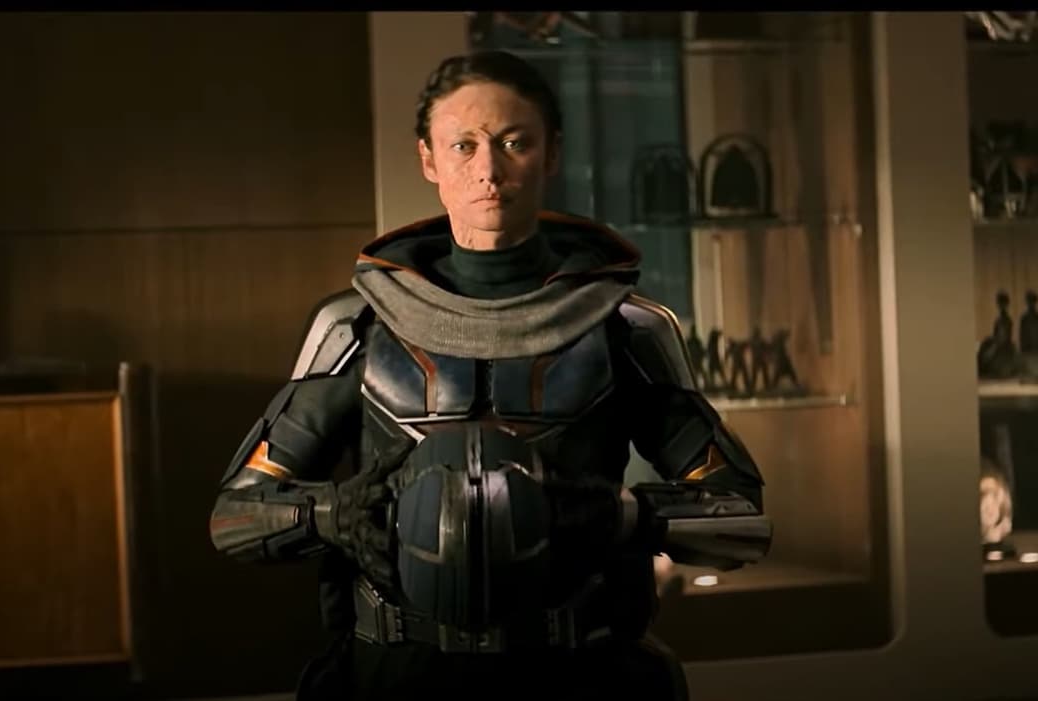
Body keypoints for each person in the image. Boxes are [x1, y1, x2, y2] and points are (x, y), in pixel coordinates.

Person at [209, 50, 771, 701]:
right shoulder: (356, 325)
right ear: (429, 160)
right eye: (464, 145)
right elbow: (234, 518)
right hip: (399, 676)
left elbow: (742, 518)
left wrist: (620, 516)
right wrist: (337, 515)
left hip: (579, 672)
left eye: (514, 143)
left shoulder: (624, 326)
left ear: (551, 153)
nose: (489, 171)